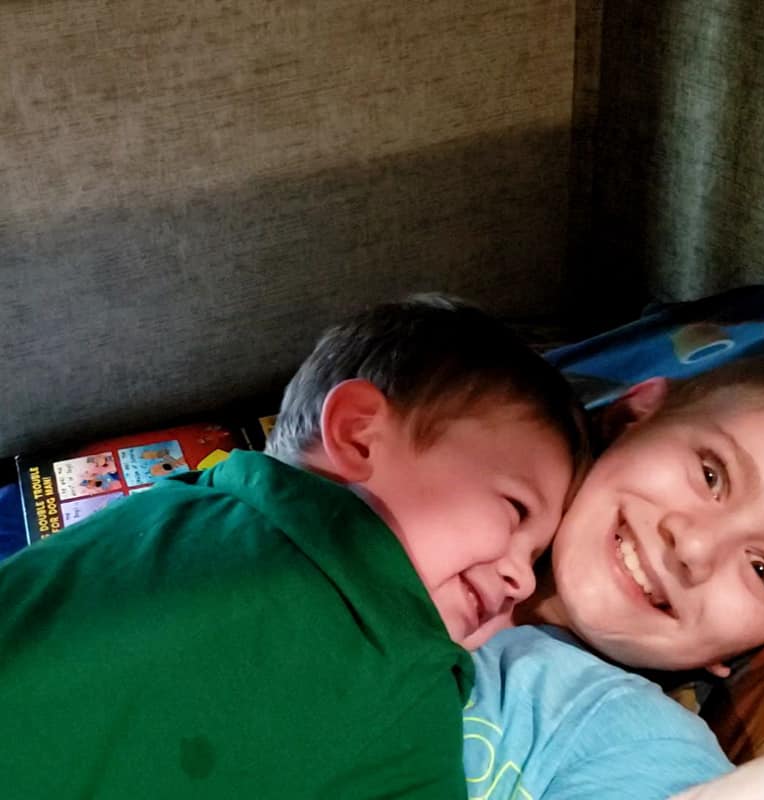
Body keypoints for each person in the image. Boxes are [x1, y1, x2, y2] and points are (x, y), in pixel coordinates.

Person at [0, 295, 591, 799]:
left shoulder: (172, 504)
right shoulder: (407, 671)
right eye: (515, 509)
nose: (523, 582)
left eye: (535, 558)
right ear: (359, 436)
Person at [463, 356, 764, 800]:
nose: (694, 548)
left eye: (762, 571)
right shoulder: (430, 482)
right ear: (633, 415)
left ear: (753, 646)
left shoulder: (642, 747)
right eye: (712, 474)